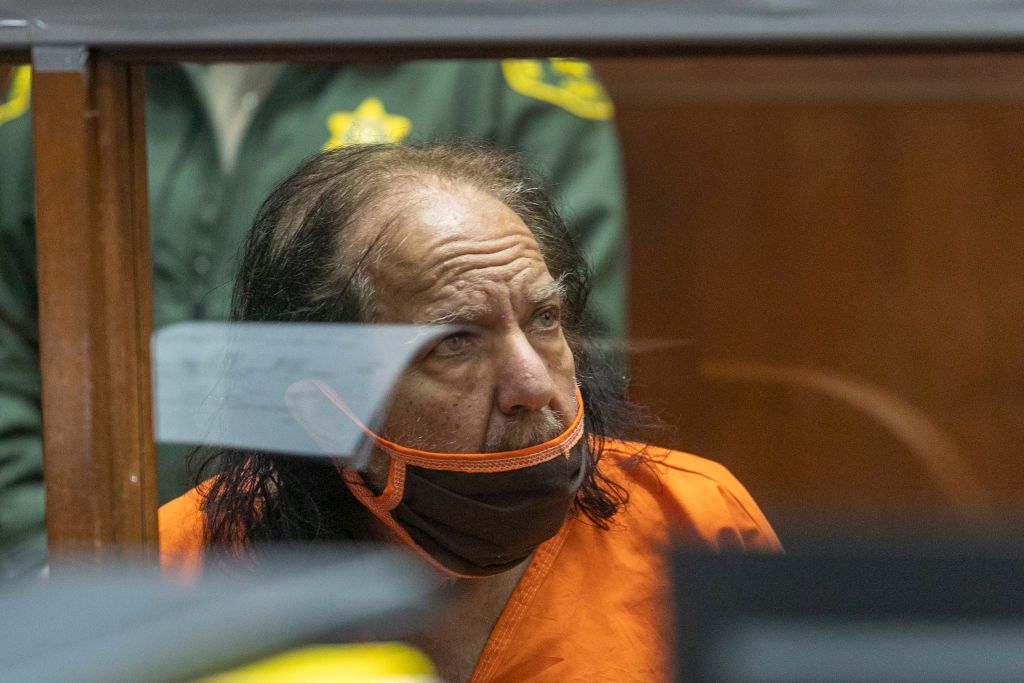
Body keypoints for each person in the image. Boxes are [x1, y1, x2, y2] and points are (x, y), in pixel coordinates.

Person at [159, 143, 780, 681]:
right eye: (454, 342)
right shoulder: (173, 572)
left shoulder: (693, 521)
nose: (533, 385)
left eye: (544, 319)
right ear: (327, 413)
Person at [0, 59, 626, 576]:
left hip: (422, 553)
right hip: (110, 569)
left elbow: (561, 333)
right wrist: (58, 573)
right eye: (454, 340)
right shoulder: (68, 66)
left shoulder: (491, 66)